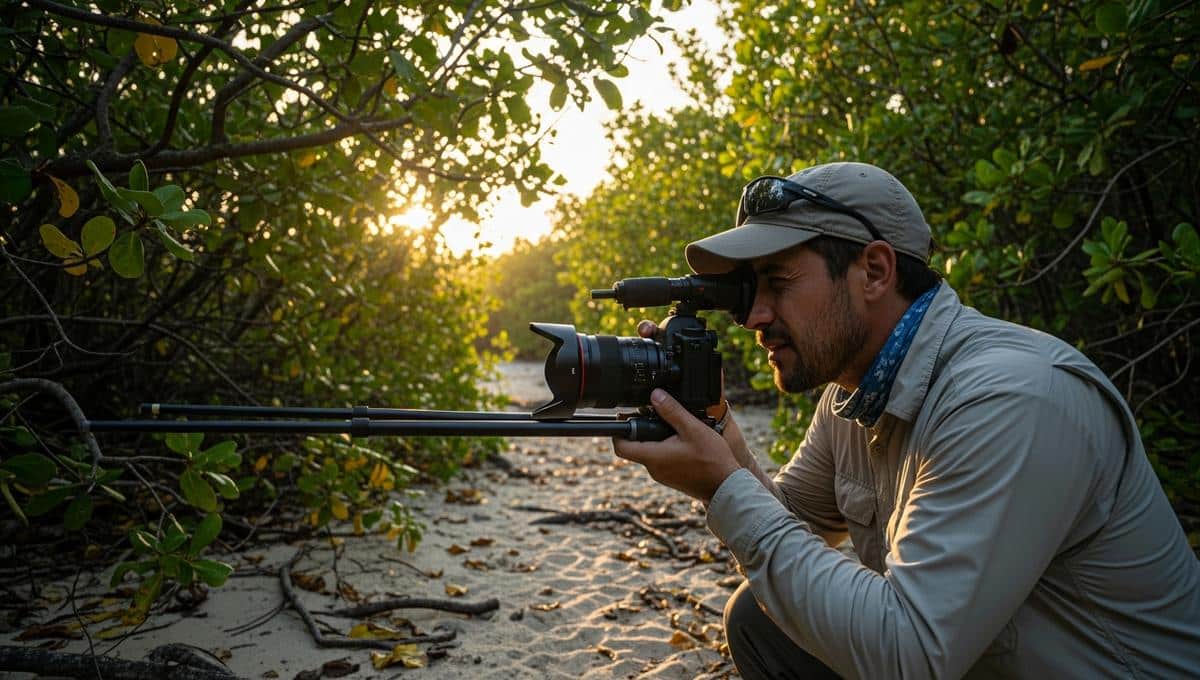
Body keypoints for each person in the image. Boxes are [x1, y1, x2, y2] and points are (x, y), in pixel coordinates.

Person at [612, 162, 1200, 679]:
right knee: (760, 620)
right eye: (748, 289)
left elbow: (911, 655)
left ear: (874, 271)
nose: (754, 316)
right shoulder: (854, 394)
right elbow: (788, 523)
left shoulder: (1010, 397)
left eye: (779, 281)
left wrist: (723, 486)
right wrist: (716, 430)